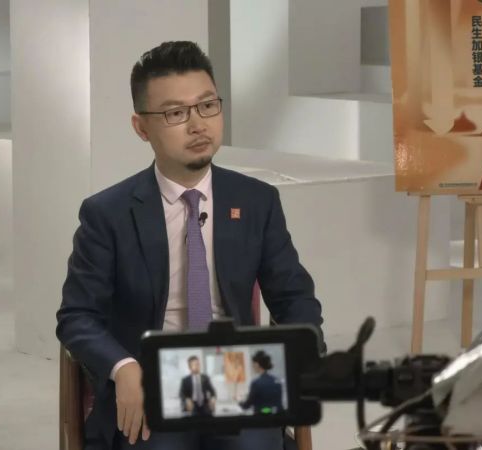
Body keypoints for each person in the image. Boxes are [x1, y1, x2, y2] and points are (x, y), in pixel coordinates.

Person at [56, 40, 324, 450]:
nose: (198, 125)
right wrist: (124, 368)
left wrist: (296, 355)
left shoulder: (256, 201)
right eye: (175, 113)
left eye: (207, 106)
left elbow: (295, 298)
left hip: (237, 377)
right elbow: (77, 316)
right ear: (141, 128)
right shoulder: (107, 213)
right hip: (150, 378)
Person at [237, 351, 284, 415]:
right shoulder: (277, 381)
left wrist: (239, 401)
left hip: (262, 417)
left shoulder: (256, 383)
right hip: (279, 417)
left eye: (253, 364)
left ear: (257, 364)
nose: (252, 366)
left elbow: (246, 406)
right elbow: (274, 404)